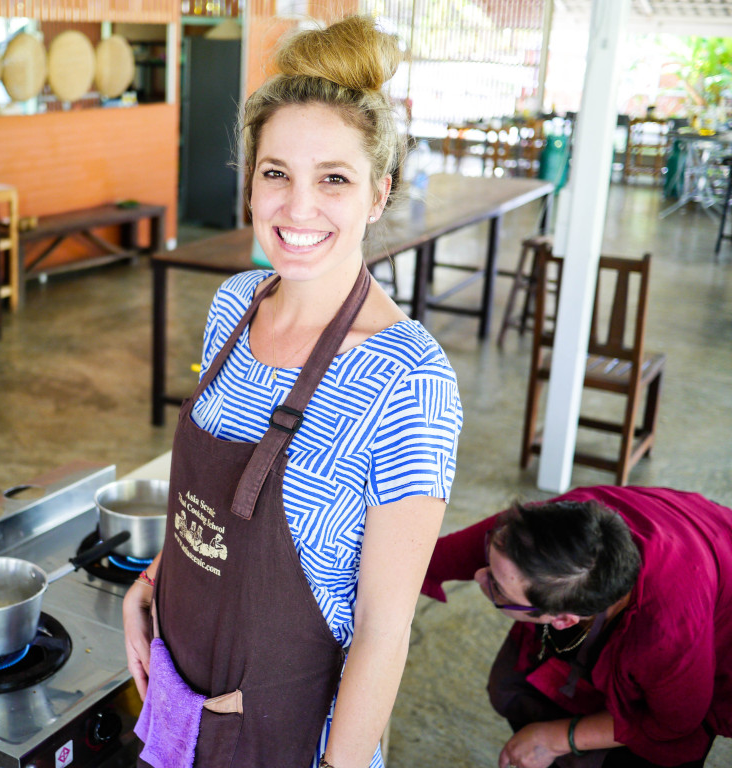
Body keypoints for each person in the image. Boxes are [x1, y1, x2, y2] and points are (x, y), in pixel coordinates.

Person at [122, 15, 463, 768]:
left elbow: (382, 627)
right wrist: (148, 583)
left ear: (379, 193)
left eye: (333, 179)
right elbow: (205, 506)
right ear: (249, 182)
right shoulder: (234, 304)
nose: (297, 208)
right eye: (275, 173)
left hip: (292, 740)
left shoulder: (408, 381)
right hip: (180, 702)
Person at [420, 486, 732, 768]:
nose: (478, 576)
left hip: (714, 596)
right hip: (680, 532)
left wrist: (557, 738)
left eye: (498, 590)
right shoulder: (556, 528)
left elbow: (673, 724)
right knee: (509, 687)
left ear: (563, 619)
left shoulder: (666, 634)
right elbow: (431, 560)